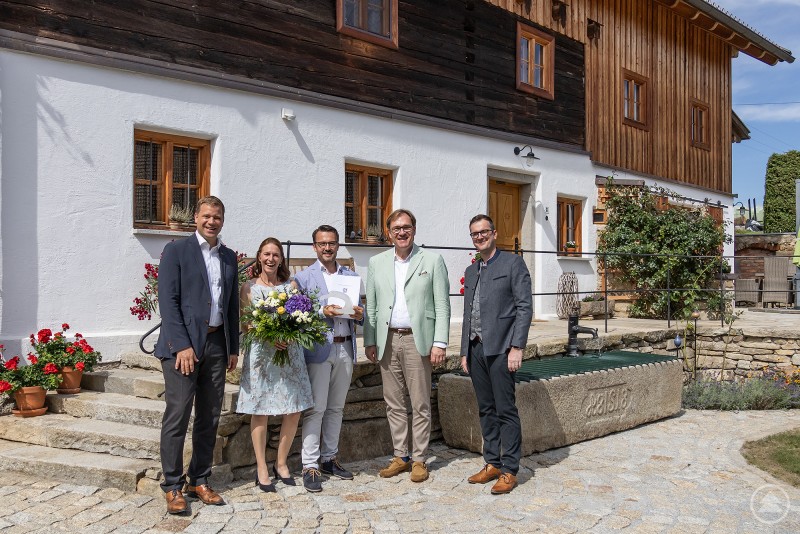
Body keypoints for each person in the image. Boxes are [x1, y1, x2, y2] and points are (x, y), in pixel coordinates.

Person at [155, 196, 239, 514]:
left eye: (217, 216)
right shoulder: (177, 251)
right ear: (195, 217)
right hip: (182, 348)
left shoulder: (228, 257)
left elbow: (231, 306)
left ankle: (199, 479)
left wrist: (233, 348)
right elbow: (168, 301)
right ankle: (173, 485)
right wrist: (183, 345)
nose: (211, 221)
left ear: (222, 220)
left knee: (210, 416)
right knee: (178, 416)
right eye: (206, 215)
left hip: (217, 346)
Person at [364, 209, 450, 483]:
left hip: (418, 339)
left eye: (406, 227)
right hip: (387, 339)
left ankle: (420, 459)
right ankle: (401, 455)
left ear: (414, 229)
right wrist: (369, 339)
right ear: (389, 232)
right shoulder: (377, 263)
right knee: (393, 403)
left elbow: (442, 305)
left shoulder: (432, 260)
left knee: (421, 402)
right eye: (396, 228)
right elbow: (373, 306)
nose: (402, 232)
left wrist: (439, 342)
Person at [460, 214, 532, 495]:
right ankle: (492, 462)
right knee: (486, 408)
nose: (479, 237)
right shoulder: (472, 270)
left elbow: (524, 307)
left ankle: (510, 470)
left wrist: (518, 347)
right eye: (474, 234)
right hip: (476, 348)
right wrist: (465, 351)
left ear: (494, 232)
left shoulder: (513, 264)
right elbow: (468, 313)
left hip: (502, 348)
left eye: (483, 232)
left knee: (505, 410)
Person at [236, 237, 314, 492]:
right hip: (261, 355)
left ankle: (281, 463)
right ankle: (261, 467)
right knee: (261, 409)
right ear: (259, 257)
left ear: (281, 259)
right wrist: (271, 336)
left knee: (293, 409)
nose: (271, 259)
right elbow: (246, 324)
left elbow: (300, 317)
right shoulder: (248, 288)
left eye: (275, 255)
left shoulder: (290, 285)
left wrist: (288, 334)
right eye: (266, 254)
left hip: (289, 353)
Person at [294, 225, 364, 492]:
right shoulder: (304, 278)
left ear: (338, 245)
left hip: (345, 346)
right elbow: (296, 312)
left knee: (336, 407)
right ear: (314, 247)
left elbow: (361, 312)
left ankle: (329, 458)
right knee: (316, 408)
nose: (327, 248)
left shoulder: (351, 276)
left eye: (332, 243)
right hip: (319, 349)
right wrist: (320, 310)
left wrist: (360, 315)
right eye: (322, 244)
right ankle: (309, 465)